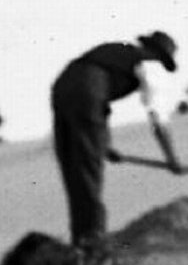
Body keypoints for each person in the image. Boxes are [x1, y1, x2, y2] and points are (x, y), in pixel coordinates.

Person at [49, 30, 180, 244]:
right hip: (86, 95)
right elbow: (158, 118)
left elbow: (99, 100)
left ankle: (81, 239)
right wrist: (171, 159)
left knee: (74, 170)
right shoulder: (149, 64)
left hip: (62, 87)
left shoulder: (119, 52)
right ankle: (92, 241)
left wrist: (104, 144)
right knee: (87, 175)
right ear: (159, 55)